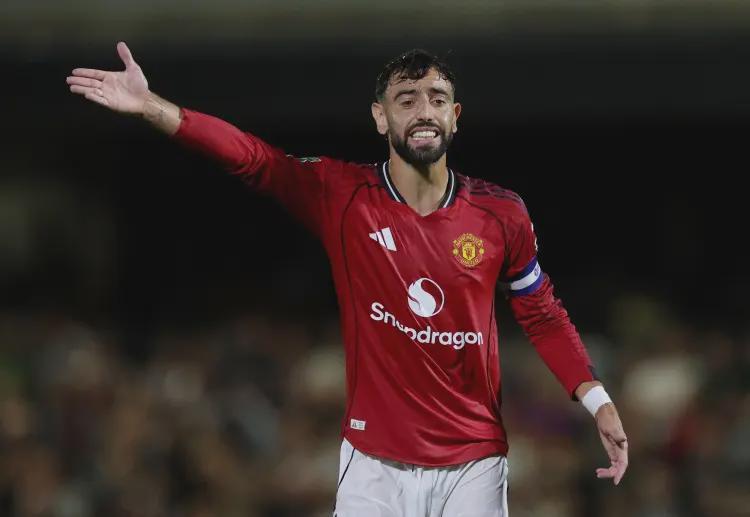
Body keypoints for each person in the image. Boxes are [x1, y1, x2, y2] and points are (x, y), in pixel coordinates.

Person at [67, 42, 628, 516]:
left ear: (456, 115)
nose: (424, 111)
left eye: (437, 99)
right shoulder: (342, 197)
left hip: (473, 462)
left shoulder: (501, 214)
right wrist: (151, 107)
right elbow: (254, 159)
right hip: (373, 463)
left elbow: (542, 313)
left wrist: (598, 401)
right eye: (407, 100)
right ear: (380, 118)